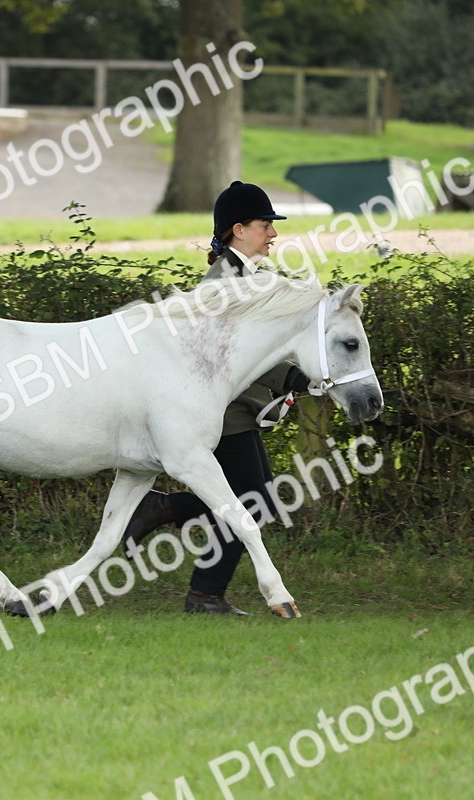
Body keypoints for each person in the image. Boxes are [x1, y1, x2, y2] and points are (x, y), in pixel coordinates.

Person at [123, 181, 310, 615]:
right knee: (255, 501)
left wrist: (289, 377)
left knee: (256, 500)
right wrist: (289, 376)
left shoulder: (244, 277)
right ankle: (169, 518)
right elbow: (224, 351)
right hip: (224, 412)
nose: (273, 234)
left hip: (236, 409)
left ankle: (202, 583)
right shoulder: (224, 282)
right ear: (238, 229)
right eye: (266, 225)